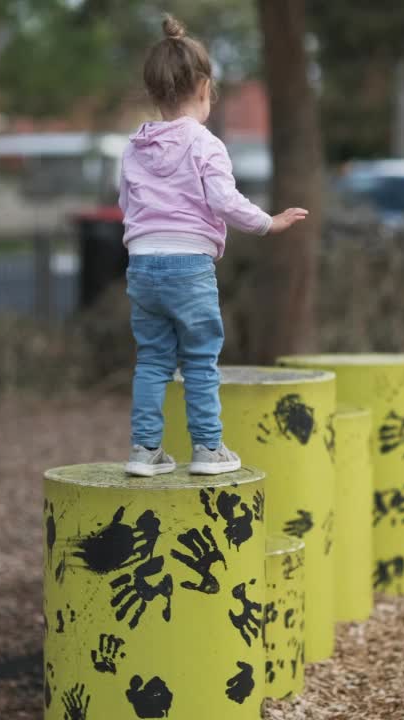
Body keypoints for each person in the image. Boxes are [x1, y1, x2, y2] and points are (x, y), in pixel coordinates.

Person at [121, 15, 307, 477]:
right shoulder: (206, 144)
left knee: (152, 360)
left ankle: (144, 452)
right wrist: (268, 222)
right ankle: (207, 449)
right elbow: (224, 201)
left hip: (142, 264)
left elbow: (127, 202)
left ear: (154, 90)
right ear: (203, 86)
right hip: (189, 265)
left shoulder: (134, 147)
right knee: (201, 360)